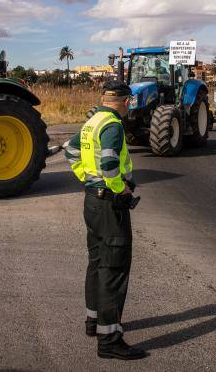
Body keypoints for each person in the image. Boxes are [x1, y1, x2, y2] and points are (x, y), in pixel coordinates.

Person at [64, 80, 147, 360]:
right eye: (129, 102)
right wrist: (117, 188)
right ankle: (109, 339)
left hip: (92, 202)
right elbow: (111, 164)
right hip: (110, 205)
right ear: (127, 101)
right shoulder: (112, 125)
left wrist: (87, 179)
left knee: (97, 262)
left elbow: (72, 152)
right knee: (114, 268)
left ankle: (93, 322)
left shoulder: (92, 122)